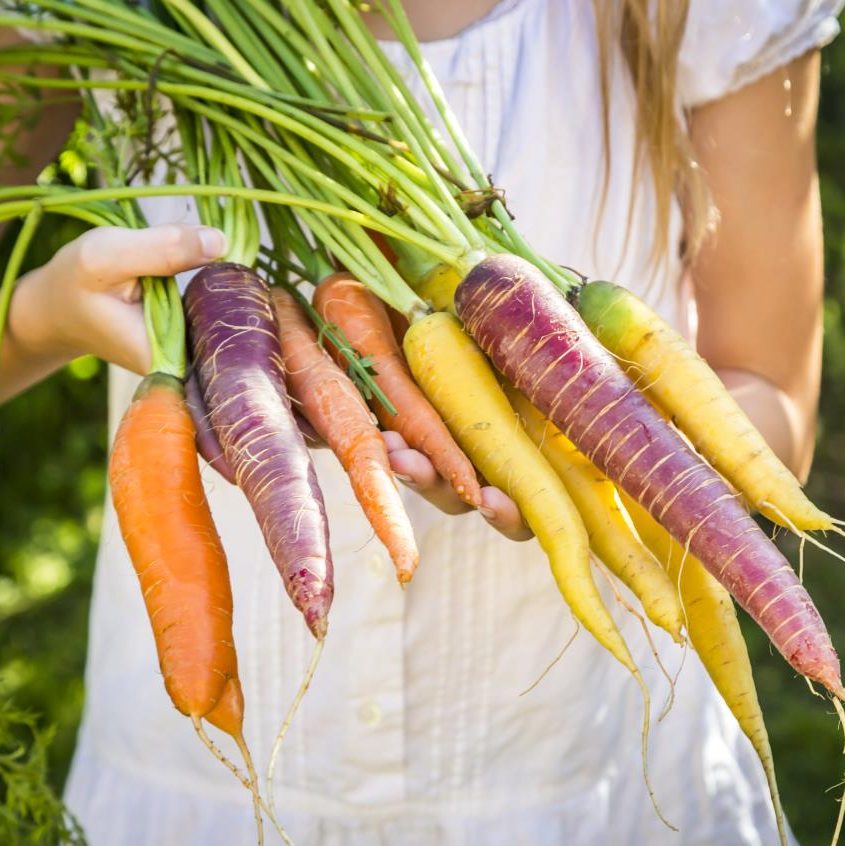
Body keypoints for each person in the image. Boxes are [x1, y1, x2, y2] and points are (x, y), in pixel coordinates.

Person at [1, 0, 841, 842]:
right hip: (186, 790)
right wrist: (42, 321)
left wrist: (566, 454)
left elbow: (769, 397)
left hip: (590, 772)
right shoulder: (85, 14)